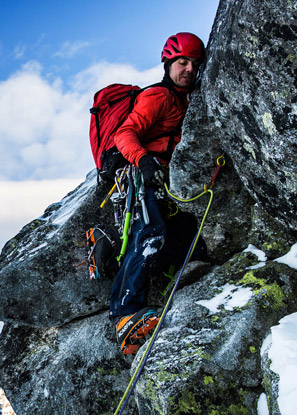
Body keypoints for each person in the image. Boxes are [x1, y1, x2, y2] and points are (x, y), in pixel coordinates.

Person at [109, 32, 206, 355]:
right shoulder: (160, 97)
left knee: (180, 239)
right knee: (149, 234)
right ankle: (125, 314)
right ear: (168, 64)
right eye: (182, 62)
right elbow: (126, 133)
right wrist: (144, 162)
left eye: (195, 63)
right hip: (143, 174)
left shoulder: (187, 100)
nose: (189, 69)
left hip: (162, 178)